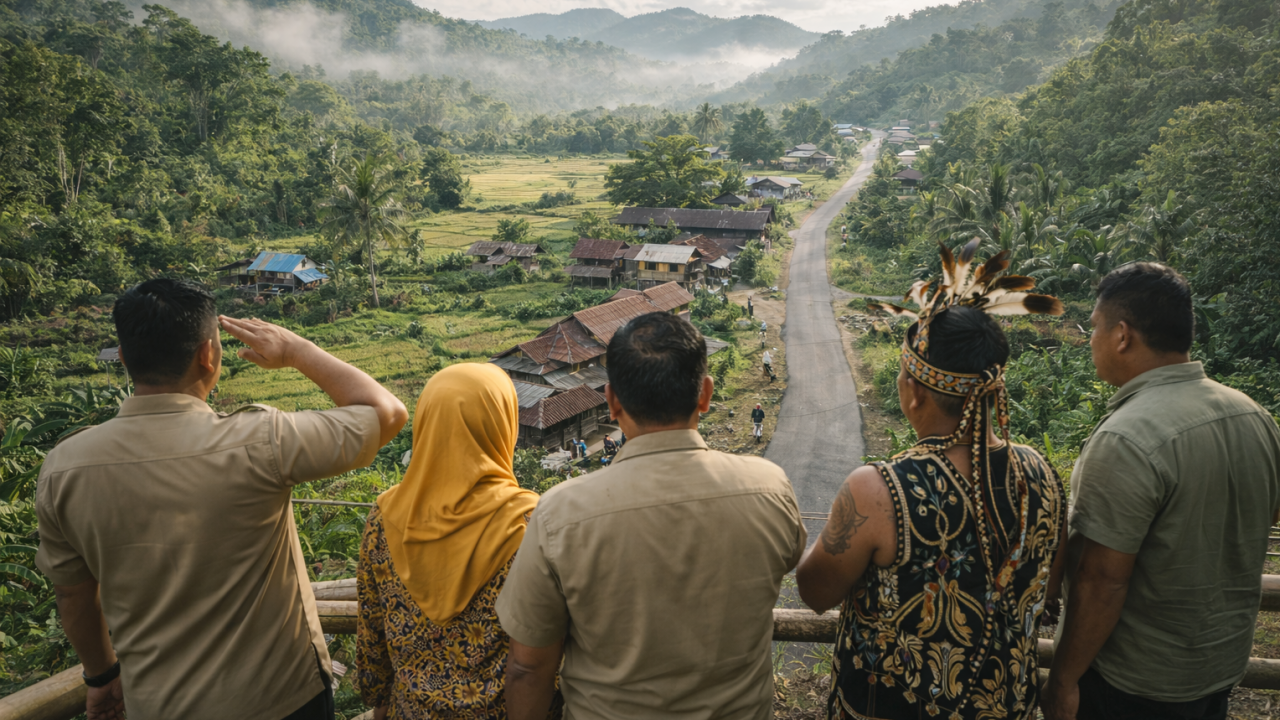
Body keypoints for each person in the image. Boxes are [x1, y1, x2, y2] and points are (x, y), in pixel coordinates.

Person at [34, 279, 408, 720]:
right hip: (281, 699)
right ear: (208, 355)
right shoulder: (261, 441)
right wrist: (296, 350)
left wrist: (100, 677)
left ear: (123, 358)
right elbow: (387, 413)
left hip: (156, 705)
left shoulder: (63, 467)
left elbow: (73, 594)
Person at [797, 242, 1068, 720]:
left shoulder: (877, 489)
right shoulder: (1042, 474)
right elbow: (1046, 590)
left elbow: (815, 593)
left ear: (914, 391)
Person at [496, 312, 806, 720]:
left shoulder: (562, 512)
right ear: (705, 395)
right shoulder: (769, 486)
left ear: (611, 401)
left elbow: (529, 666)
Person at [1043, 263, 1280, 720]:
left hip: (1135, 684)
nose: (1090, 340)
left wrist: (1064, 679)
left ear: (1122, 335)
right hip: (1218, 667)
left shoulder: (1127, 438)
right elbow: (1266, 514)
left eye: (1093, 327)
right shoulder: (1254, 415)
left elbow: (1102, 581)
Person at [356, 364, 558, 719]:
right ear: (503, 424)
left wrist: (380, 704)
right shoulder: (529, 522)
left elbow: (372, 633)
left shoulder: (385, 516)